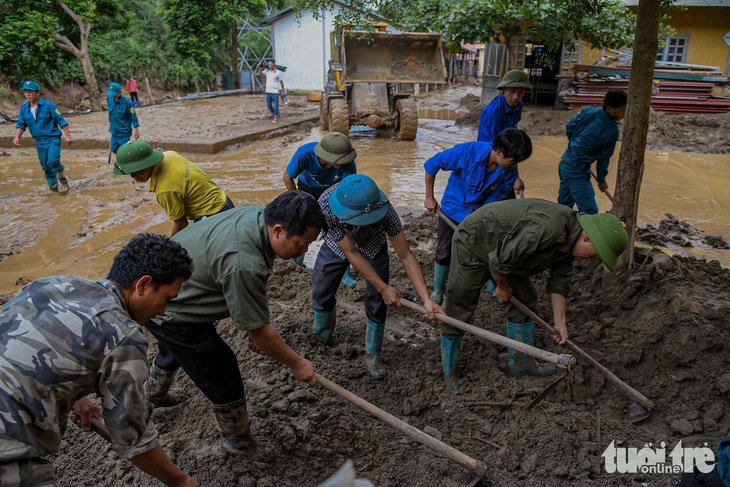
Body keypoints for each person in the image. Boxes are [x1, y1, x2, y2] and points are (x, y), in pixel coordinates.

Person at [0, 234, 199, 487]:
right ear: (143, 285)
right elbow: (133, 439)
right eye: (167, 299)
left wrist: (75, 395)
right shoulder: (124, 336)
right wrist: (180, 480)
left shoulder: (50, 284)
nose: (163, 311)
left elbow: (25, 345)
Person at [142, 191, 327, 457]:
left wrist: (256, 325)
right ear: (277, 230)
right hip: (165, 306)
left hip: (171, 286)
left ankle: (152, 397)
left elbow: (250, 299)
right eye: (301, 243)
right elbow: (260, 328)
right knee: (221, 371)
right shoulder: (243, 262)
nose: (304, 251)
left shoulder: (255, 215)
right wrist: (296, 363)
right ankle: (238, 442)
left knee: (174, 350)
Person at [438, 198, 629, 389]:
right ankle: (450, 375)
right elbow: (498, 261)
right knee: (460, 304)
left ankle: (520, 364)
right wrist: (502, 287)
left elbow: (559, 282)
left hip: (507, 253)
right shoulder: (549, 230)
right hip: (475, 240)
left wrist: (560, 323)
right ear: (587, 238)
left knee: (525, 298)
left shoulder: (571, 237)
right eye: (595, 254)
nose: (592, 259)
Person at [312, 174, 444, 379]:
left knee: (377, 301)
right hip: (340, 246)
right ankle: (322, 337)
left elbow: (406, 255)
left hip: (373, 245)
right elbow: (351, 253)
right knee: (322, 288)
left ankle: (373, 354)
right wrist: (384, 287)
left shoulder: (386, 211)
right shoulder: (326, 206)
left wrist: (427, 299)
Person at [423, 128, 533, 304]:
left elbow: (495, 200)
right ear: (499, 153)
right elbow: (431, 165)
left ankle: (493, 285)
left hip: (480, 215)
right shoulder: (466, 152)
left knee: (485, 252)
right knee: (445, 251)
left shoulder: (509, 172)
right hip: (453, 210)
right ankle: (438, 290)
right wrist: (429, 197)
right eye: (513, 162)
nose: (515, 167)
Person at [113, 140, 234, 236]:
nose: (133, 176)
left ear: (148, 163)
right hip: (225, 202)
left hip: (213, 218)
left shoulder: (165, 190)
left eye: (136, 170)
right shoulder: (169, 155)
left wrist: (169, 247)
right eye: (129, 172)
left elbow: (181, 224)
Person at [558, 89, 628, 215]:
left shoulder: (589, 111)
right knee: (590, 211)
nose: (624, 114)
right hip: (576, 171)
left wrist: (574, 144)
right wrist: (601, 180)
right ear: (610, 109)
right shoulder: (611, 131)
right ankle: (590, 234)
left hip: (565, 163)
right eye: (622, 111)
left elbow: (570, 127)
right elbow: (603, 158)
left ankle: (561, 230)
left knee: (564, 206)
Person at [477, 69, 533, 198]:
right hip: (491, 157)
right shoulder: (492, 113)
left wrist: (515, 174)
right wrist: (514, 176)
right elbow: (493, 150)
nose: (515, 97)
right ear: (504, 90)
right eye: (512, 92)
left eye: (520, 92)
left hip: (505, 157)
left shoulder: (517, 106)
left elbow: (513, 142)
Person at [13, 80, 72, 195]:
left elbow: (61, 121)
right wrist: (17, 137)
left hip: (52, 139)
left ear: (37, 93)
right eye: (26, 92)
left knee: (53, 161)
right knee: (46, 167)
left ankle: (64, 183)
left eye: (30, 92)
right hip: (39, 142)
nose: (28, 95)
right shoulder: (24, 109)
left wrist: (67, 136)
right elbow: (21, 124)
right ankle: (53, 188)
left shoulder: (49, 106)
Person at [283, 132, 357, 200]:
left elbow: (348, 186)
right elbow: (287, 177)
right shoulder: (305, 155)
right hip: (307, 187)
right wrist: (296, 199)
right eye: (342, 160)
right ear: (328, 157)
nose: (346, 161)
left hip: (332, 189)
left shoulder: (348, 162)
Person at [107, 82, 140, 154]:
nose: (113, 96)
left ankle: (129, 160)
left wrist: (136, 129)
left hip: (124, 131)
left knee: (124, 150)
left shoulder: (127, 103)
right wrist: (110, 122)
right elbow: (110, 113)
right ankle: (122, 159)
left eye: (114, 94)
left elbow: (133, 116)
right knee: (114, 148)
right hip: (114, 130)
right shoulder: (109, 99)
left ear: (119, 93)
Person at [258, 59, 285, 124]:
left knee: (275, 105)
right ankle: (275, 113)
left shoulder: (278, 72)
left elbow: (281, 82)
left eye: (271, 65)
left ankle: (275, 117)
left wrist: (283, 91)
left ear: (274, 65)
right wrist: (260, 67)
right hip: (268, 91)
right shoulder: (267, 71)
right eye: (269, 65)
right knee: (269, 105)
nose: (270, 66)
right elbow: (260, 74)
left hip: (275, 91)